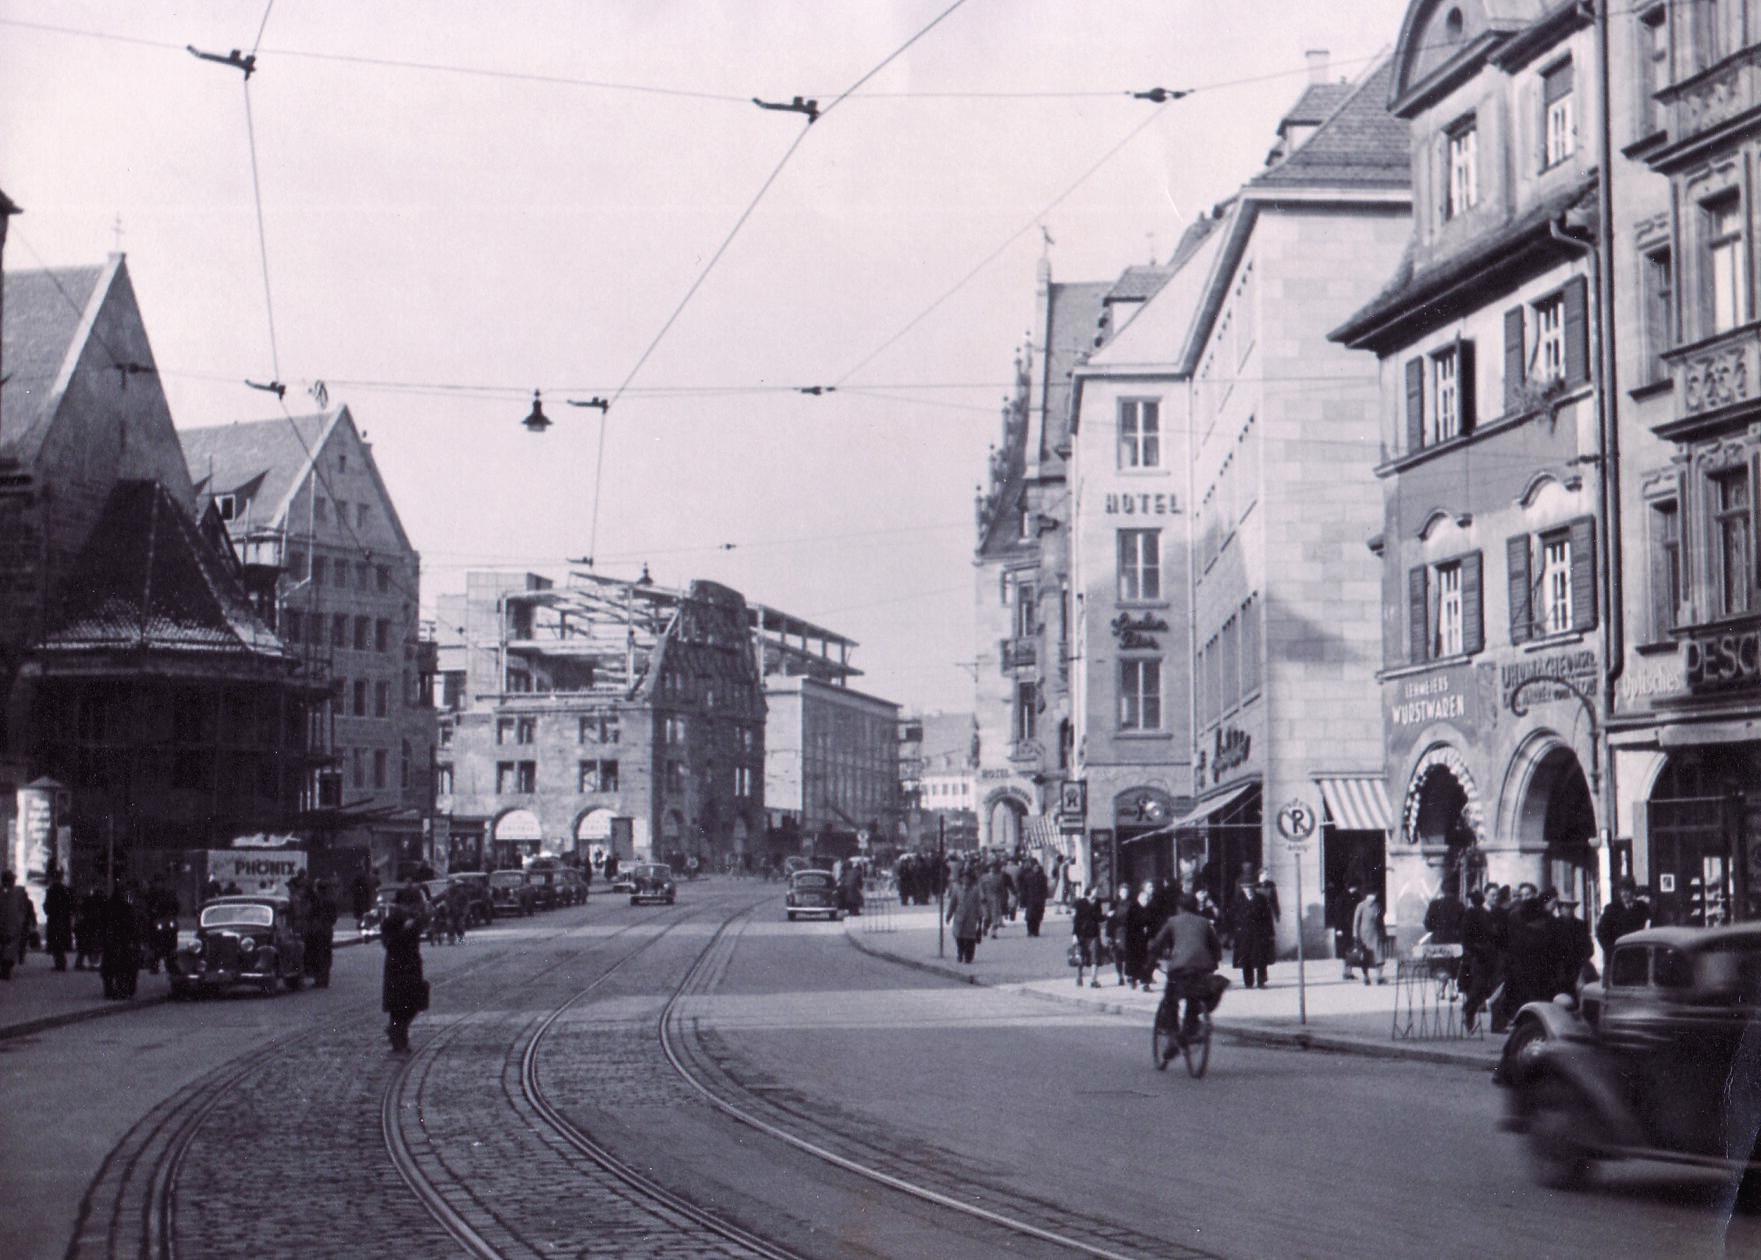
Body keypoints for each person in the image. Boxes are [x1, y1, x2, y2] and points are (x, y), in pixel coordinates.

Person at [1147, 893, 1223, 1059]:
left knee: (1170, 1000)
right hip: (1203, 968)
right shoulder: (1204, 922)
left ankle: (1174, 1036)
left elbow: (1158, 943)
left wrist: (1151, 960)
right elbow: (1216, 947)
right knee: (1194, 996)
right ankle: (1190, 1028)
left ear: (1179, 907)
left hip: (1180, 968)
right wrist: (1214, 963)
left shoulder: (1173, 921)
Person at [381, 886, 428, 1052]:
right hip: (398, 968)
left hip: (412, 965)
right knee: (399, 1007)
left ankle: (398, 1033)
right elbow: (389, 943)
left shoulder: (413, 917)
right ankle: (398, 1038)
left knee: (414, 1003)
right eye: (414, 904)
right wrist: (404, 930)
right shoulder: (392, 920)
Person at [1459, 890, 1498, 1032]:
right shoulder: (1479, 913)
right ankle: (1469, 1013)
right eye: (1492, 895)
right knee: (1479, 987)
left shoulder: (1491, 913)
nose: (1495, 897)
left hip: (1485, 956)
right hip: (1481, 956)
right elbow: (1468, 935)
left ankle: (1471, 1013)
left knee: (1481, 987)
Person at [1595, 877, 1650, 967]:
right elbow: (1601, 933)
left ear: (1633, 891)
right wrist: (1612, 951)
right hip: (1616, 958)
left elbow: (1648, 927)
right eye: (1622, 891)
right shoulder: (1611, 909)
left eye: (1627, 890)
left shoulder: (1642, 907)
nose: (1624, 894)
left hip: (1637, 957)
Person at [1231, 878, 1275, 989]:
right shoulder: (1238, 900)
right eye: (1246, 887)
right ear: (1242, 888)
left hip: (1259, 932)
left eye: (1250, 887)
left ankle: (1261, 981)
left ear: (1254, 888)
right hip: (1244, 933)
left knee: (1261, 957)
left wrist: (1270, 932)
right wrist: (1234, 932)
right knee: (1246, 957)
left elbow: (1268, 917)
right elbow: (1232, 917)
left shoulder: (1262, 899)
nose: (1248, 889)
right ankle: (1248, 982)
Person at [100, 884, 141, 999]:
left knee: (112, 967)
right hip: (122, 941)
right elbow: (132, 925)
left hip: (114, 941)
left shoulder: (110, 906)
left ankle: (113, 990)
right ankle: (124, 989)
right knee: (125, 967)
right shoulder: (127, 908)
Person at [945, 869, 985, 964]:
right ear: (961, 879)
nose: (966, 880)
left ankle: (968, 956)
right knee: (958, 936)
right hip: (959, 916)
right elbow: (952, 903)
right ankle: (960, 952)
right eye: (964, 878)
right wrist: (949, 916)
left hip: (971, 917)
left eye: (968, 878)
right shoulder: (956, 889)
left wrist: (980, 916)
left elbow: (979, 903)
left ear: (971, 879)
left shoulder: (975, 890)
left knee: (970, 938)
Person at [0, 871, 34, 980]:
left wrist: (22, 920)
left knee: (9, 948)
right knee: (7, 948)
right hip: (10, 925)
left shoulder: (18, 893)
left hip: (13, 925)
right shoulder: (16, 893)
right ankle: (5, 969)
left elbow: (24, 908)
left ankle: (6, 969)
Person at [305, 878, 338, 986]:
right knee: (326, 954)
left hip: (318, 930)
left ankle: (319, 978)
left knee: (318, 954)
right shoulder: (331, 900)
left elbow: (310, 914)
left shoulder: (316, 901)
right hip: (327, 930)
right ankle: (325, 978)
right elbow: (334, 917)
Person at [1125, 882, 1158, 992]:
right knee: (1136, 962)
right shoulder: (1133, 908)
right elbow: (1129, 925)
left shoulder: (1150, 909)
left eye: (1147, 899)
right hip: (1134, 941)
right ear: (1139, 898)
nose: (1146, 901)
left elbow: (1153, 923)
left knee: (1148, 961)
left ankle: (1145, 983)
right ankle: (1133, 979)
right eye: (1144, 899)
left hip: (1147, 940)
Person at [1071, 883, 1105, 987]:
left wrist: (1106, 916)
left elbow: (1099, 918)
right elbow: (1076, 920)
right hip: (1082, 933)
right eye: (1095, 890)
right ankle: (1079, 976)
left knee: (1095, 956)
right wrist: (1074, 935)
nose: (1096, 892)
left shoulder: (1098, 902)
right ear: (1089, 891)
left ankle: (1093, 980)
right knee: (1081, 955)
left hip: (1094, 933)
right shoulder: (1080, 903)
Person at [1351, 890, 1388, 985]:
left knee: (1377, 956)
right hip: (1367, 935)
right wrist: (1355, 935)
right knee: (1367, 956)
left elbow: (1381, 921)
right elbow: (1356, 922)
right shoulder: (1362, 906)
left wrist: (1384, 933)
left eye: (1374, 895)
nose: (1373, 897)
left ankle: (1377, 977)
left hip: (1373, 934)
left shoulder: (1376, 905)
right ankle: (1368, 977)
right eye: (1372, 895)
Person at [1330, 881, 1363, 981]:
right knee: (1346, 951)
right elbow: (1338, 915)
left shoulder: (1357, 897)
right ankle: (1346, 972)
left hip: (1352, 927)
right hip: (1344, 928)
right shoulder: (1341, 898)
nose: (1356, 889)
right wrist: (1339, 928)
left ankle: (1348, 971)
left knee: (1350, 950)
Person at [44, 869, 74, 972]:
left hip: (54, 919)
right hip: (64, 920)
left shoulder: (52, 890)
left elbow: (47, 906)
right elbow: (71, 905)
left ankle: (59, 963)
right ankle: (61, 963)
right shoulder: (66, 890)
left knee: (56, 943)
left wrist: (48, 910)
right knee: (60, 942)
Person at [75, 883, 107, 971]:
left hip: (87, 925)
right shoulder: (102, 901)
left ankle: (81, 963)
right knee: (94, 945)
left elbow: (81, 910)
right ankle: (93, 963)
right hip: (95, 925)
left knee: (85, 946)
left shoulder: (87, 900)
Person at [1105, 884, 1132, 986]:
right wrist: (1109, 935)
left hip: (1129, 931)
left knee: (1129, 954)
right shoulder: (1114, 904)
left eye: (1126, 891)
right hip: (1117, 931)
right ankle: (1120, 976)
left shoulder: (1131, 903)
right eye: (1123, 891)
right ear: (1119, 893)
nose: (1125, 893)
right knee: (1118, 955)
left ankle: (1129, 975)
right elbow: (1110, 920)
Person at [1019, 858, 1049, 938]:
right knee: (1030, 916)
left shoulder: (1042, 877)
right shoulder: (1028, 877)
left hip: (1039, 900)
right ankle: (1030, 931)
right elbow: (1024, 889)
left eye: (1037, 868)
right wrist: (1023, 900)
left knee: (1038, 916)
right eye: (1035, 868)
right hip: (1030, 899)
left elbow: (1045, 888)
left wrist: (1044, 896)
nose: (1036, 869)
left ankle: (1036, 931)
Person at [978, 863, 1006, 940]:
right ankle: (985, 926)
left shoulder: (999, 877)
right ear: (989, 868)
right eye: (991, 867)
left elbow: (1002, 889)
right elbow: (980, 887)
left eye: (994, 867)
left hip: (995, 898)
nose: (992, 869)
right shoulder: (983, 877)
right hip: (985, 899)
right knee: (987, 916)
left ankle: (993, 932)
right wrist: (982, 895)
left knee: (995, 916)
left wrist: (1003, 898)